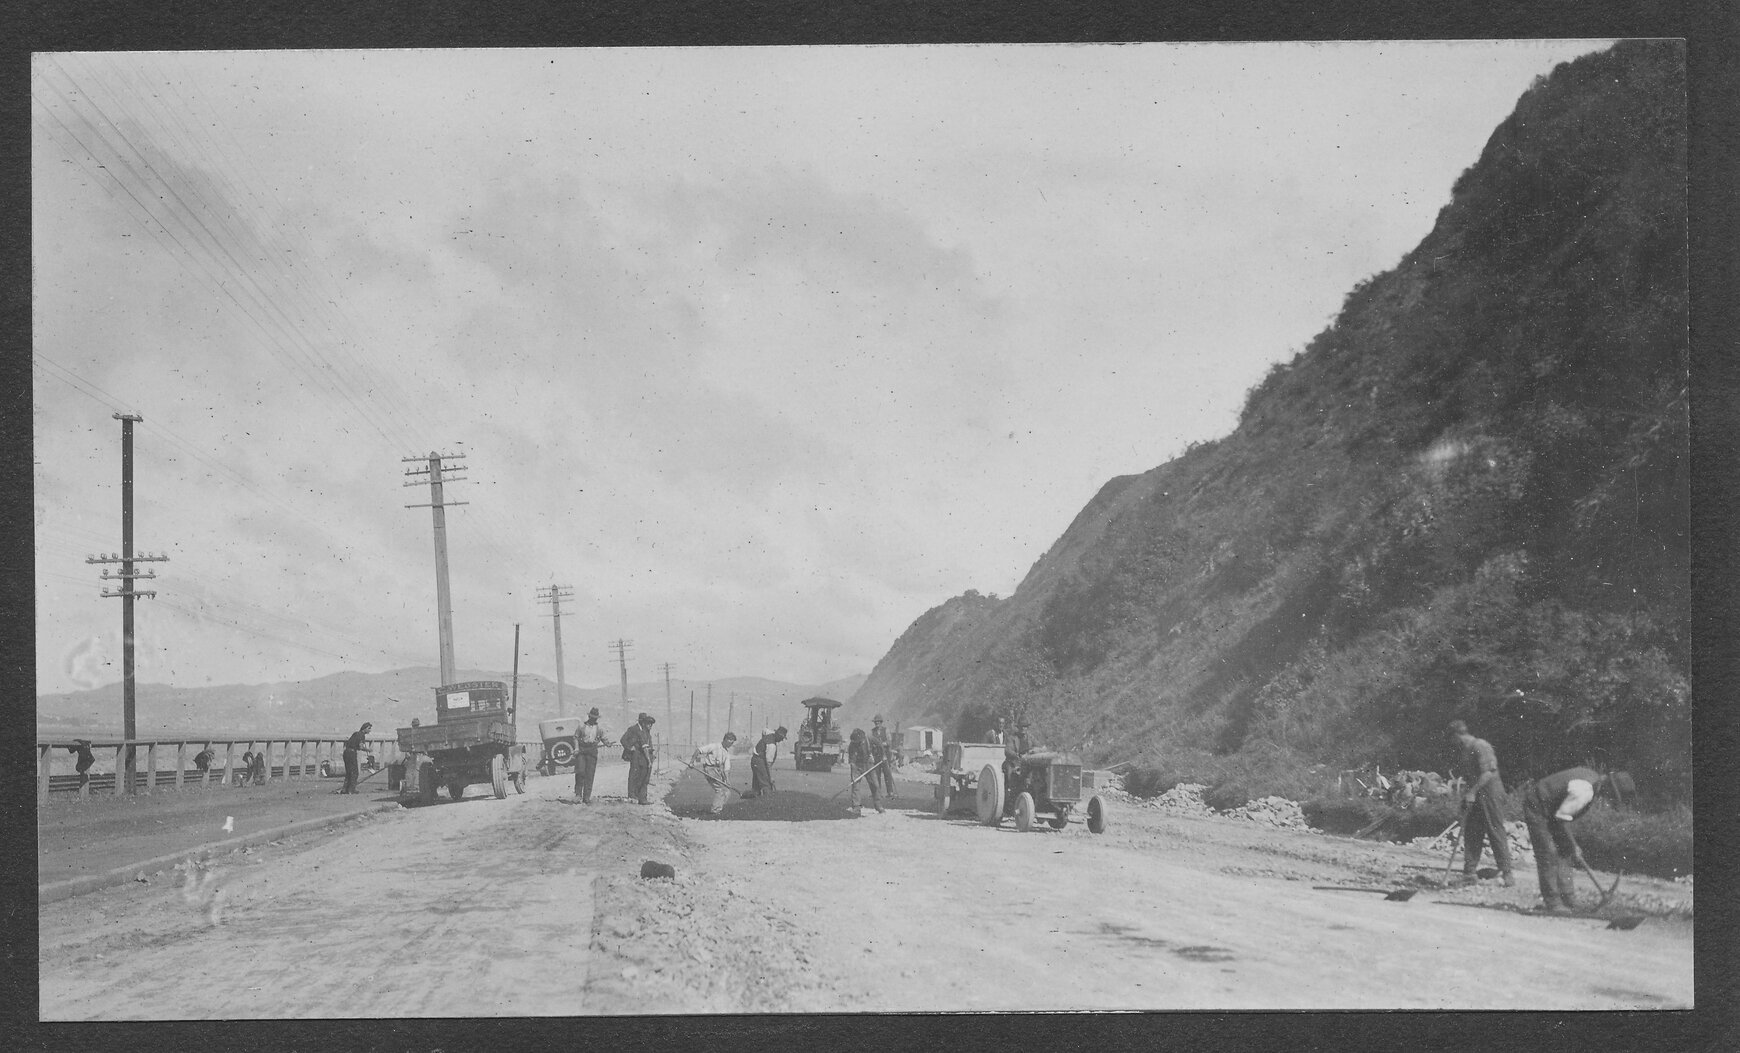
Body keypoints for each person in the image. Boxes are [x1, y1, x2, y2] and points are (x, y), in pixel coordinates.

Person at [1523, 767, 1618, 912]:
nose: (1609, 798)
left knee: (1565, 851)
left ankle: (1568, 898)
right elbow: (1562, 819)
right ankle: (1553, 902)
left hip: (1552, 809)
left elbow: (1561, 814)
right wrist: (1574, 845)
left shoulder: (1593, 778)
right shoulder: (1585, 791)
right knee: (1549, 853)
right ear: (1609, 787)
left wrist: (1570, 846)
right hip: (1537, 806)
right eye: (1612, 795)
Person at [1448, 720, 1514, 886]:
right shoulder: (1465, 751)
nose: (1452, 743)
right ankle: (1469, 873)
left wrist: (1471, 792)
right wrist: (1467, 795)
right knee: (1471, 831)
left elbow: (1488, 773)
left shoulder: (1481, 746)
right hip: (1477, 794)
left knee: (1495, 830)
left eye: (1452, 738)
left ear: (1457, 736)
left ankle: (1507, 874)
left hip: (1491, 793)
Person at [692, 732, 738, 816]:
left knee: (727, 791)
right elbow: (699, 750)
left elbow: (726, 769)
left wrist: (727, 780)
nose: (731, 745)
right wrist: (692, 762)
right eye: (730, 742)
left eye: (732, 743)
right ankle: (715, 811)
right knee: (720, 790)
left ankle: (718, 808)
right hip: (709, 769)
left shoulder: (726, 753)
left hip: (717, 770)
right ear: (726, 740)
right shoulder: (714, 746)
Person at [574, 707, 613, 803]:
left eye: (595, 718)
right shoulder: (581, 726)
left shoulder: (599, 728)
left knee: (590, 774)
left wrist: (608, 744)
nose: (593, 719)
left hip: (592, 752)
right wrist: (576, 748)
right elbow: (575, 737)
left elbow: (604, 739)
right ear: (589, 716)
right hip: (582, 751)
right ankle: (578, 794)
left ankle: (586, 797)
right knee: (580, 772)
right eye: (592, 717)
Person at [620, 713, 656, 804]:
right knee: (633, 774)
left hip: (642, 755)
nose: (645, 723)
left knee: (641, 775)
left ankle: (637, 795)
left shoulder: (646, 731)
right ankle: (632, 795)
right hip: (634, 754)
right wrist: (629, 747)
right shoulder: (633, 729)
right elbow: (623, 740)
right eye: (644, 721)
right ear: (640, 721)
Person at [846, 728, 884, 815]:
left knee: (875, 785)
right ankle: (856, 807)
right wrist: (853, 770)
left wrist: (883, 756)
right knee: (855, 785)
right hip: (857, 765)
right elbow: (852, 760)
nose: (857, 743)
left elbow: (880, 745)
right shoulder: (852, 745)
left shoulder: (870, 739)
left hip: (868, 764)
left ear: (862, 738)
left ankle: (878, 806)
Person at [747, 726, 787, 798]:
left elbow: (764, 730)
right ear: (778, 735)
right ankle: (768, 801)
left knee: (756, 785)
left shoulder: (770, 735)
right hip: (759, 762)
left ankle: (754, 800)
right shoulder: (771, 745)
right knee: (766, 784)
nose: (781, 740)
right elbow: (768, 763)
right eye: (781, 738)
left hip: (754, 760)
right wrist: (770, 777)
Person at [341, 722, 372, 794]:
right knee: (355, 772)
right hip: (351, 753)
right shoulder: (362, 735)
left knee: (348, 772)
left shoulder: (356, 733)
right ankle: (351, 790)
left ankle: (345, 789)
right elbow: (361, 747)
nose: (370, 730)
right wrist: (368, 750)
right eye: (369, 728)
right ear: (365, 728)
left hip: (346, 752)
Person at [869, 716, 896, 796]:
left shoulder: (886, 730)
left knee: (887, 774)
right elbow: (870, 742)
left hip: (885, 755)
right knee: (876, 774)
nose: (877, 723)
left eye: (878, 722)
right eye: (875, 722)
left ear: (881, 722)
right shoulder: (872, 731)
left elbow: (889, 742)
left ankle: (890, 792)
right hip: (876, 755)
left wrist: (882, 744)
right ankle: (877, 792)